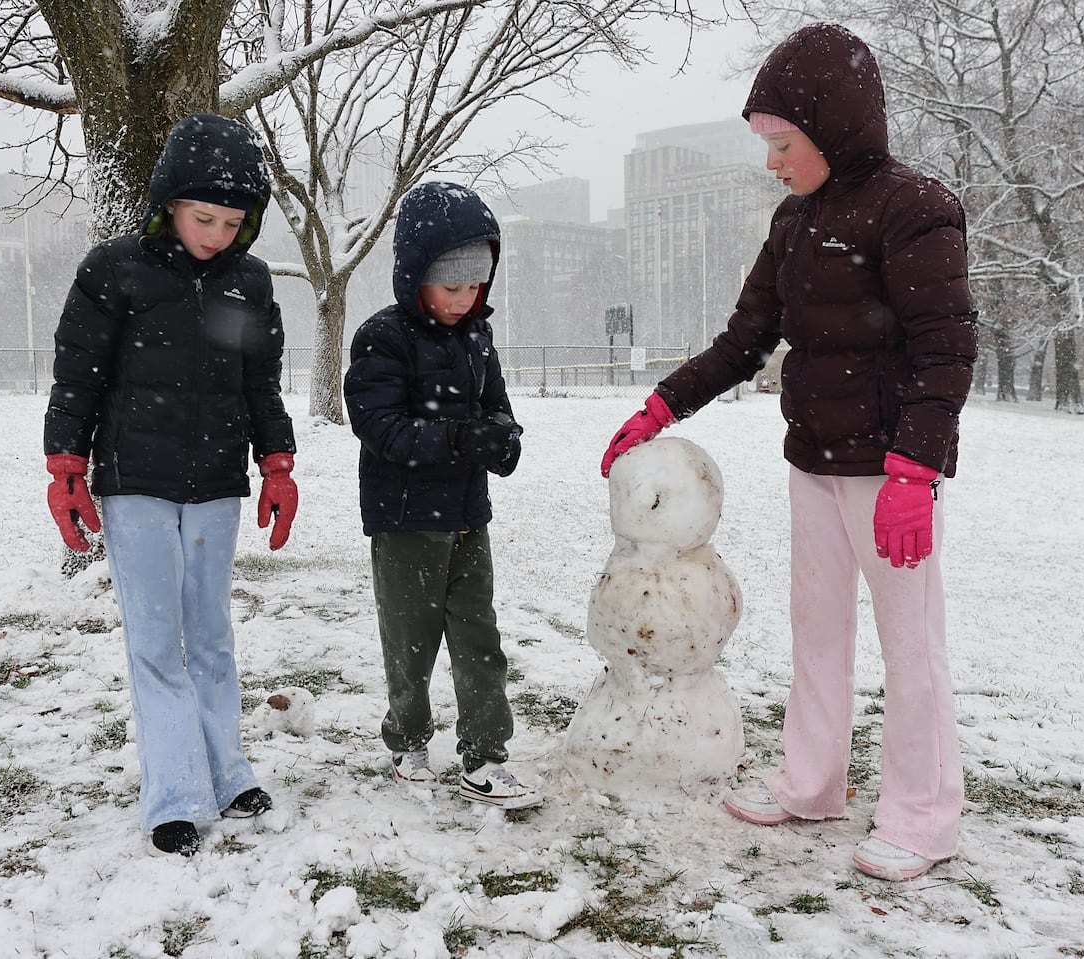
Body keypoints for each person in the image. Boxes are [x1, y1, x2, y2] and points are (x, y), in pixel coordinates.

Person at [600, 23, 977, 882]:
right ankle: (812, 782)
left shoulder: (914, 208)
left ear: (831, 130)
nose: (771, 160)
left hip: (890, 472)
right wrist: (660, 406)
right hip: (814, 460)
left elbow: (945, 346)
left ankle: (923, 815)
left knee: (911, 644)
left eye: (782, 143)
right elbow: (745, 339)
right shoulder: (794, 223)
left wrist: (916, 469)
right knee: (818, 630)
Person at [43, 114, 298, 857]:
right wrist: (67, 466)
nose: (216, 233)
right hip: (137, 484)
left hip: (216, 482)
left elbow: (261, 384)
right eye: (202, 216)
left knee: (212, 635)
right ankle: (175, 794)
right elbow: (76, 378)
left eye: (231, 221)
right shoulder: (114, 270)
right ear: (167, 205)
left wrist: (276, 462)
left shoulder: (248, 284)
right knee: (157, 642)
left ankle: (227, 772)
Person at [343, 181, 539, 810]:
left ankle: (485, 754)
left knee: (479, 637)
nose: (464, 299)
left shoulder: (477, 336)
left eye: (475, 286)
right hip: (405, 519)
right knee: (411, 638)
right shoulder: (383, 338)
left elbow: (496, 409)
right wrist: (460, 441)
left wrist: (502, 442)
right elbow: (381, 427)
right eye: (450, 286)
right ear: (415, 275)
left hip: (465, 518)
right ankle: (407, 738)